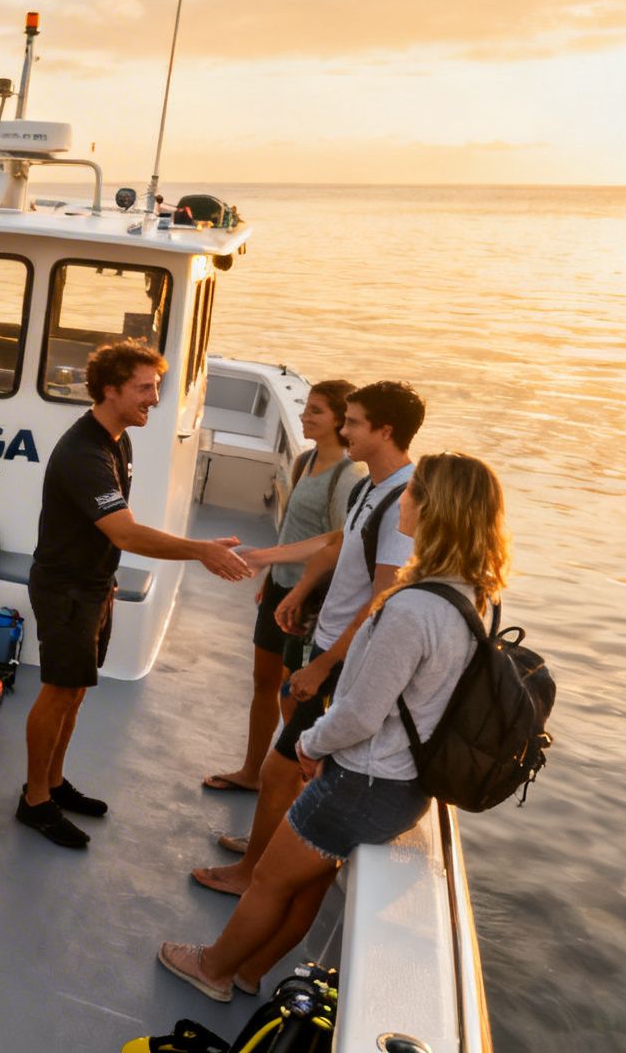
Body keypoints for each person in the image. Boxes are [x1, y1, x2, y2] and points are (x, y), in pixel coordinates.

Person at [159, 452, 510, 1000]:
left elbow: (362, 712)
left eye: (414, 491)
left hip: (360, 783)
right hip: (401, 786)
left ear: (436, 510)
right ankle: (251, 974)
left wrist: (309, 742)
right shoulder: (473, 596)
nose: (405, 499)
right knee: (308, 890)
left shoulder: (412, 609)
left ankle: (214, 968)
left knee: (272, 882)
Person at [192, 380, 423, 896]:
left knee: (282, 770)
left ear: (385, 431)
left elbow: (384, 600)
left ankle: (253, 873)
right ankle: (259, 856)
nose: (345, 429)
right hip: (326, 643)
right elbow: (337, 542)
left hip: (343, 660)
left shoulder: (401, 502)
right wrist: (267, 563)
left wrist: (323, 663)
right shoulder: (372, 487)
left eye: (355, 422)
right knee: (286, 767)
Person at [19, 341, 253, 849]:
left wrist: (108, 579)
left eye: (156, 387)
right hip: (66, 590)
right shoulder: (84, 452)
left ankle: (55, 783)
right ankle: (35, 800)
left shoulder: (117, 438)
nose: (155, 398)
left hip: (95, 585)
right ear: (111, 390)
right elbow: (124, 531)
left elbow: (106, 533)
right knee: (58, 690)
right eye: (144, 388)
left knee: (77, 690)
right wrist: (200, 551)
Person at [203, 380, 361, 793]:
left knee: (293, 700)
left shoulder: (347, 475)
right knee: (263, 682)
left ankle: (286, 795)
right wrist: (271, 577)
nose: (305, 417)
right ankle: (252, 773)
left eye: (316, 412)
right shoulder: (305, 461)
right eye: (306, 409)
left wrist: (293, 584)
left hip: (309, 599)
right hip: (280, 589)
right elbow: (292, 528)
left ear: (341, 421)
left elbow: (336, 543)